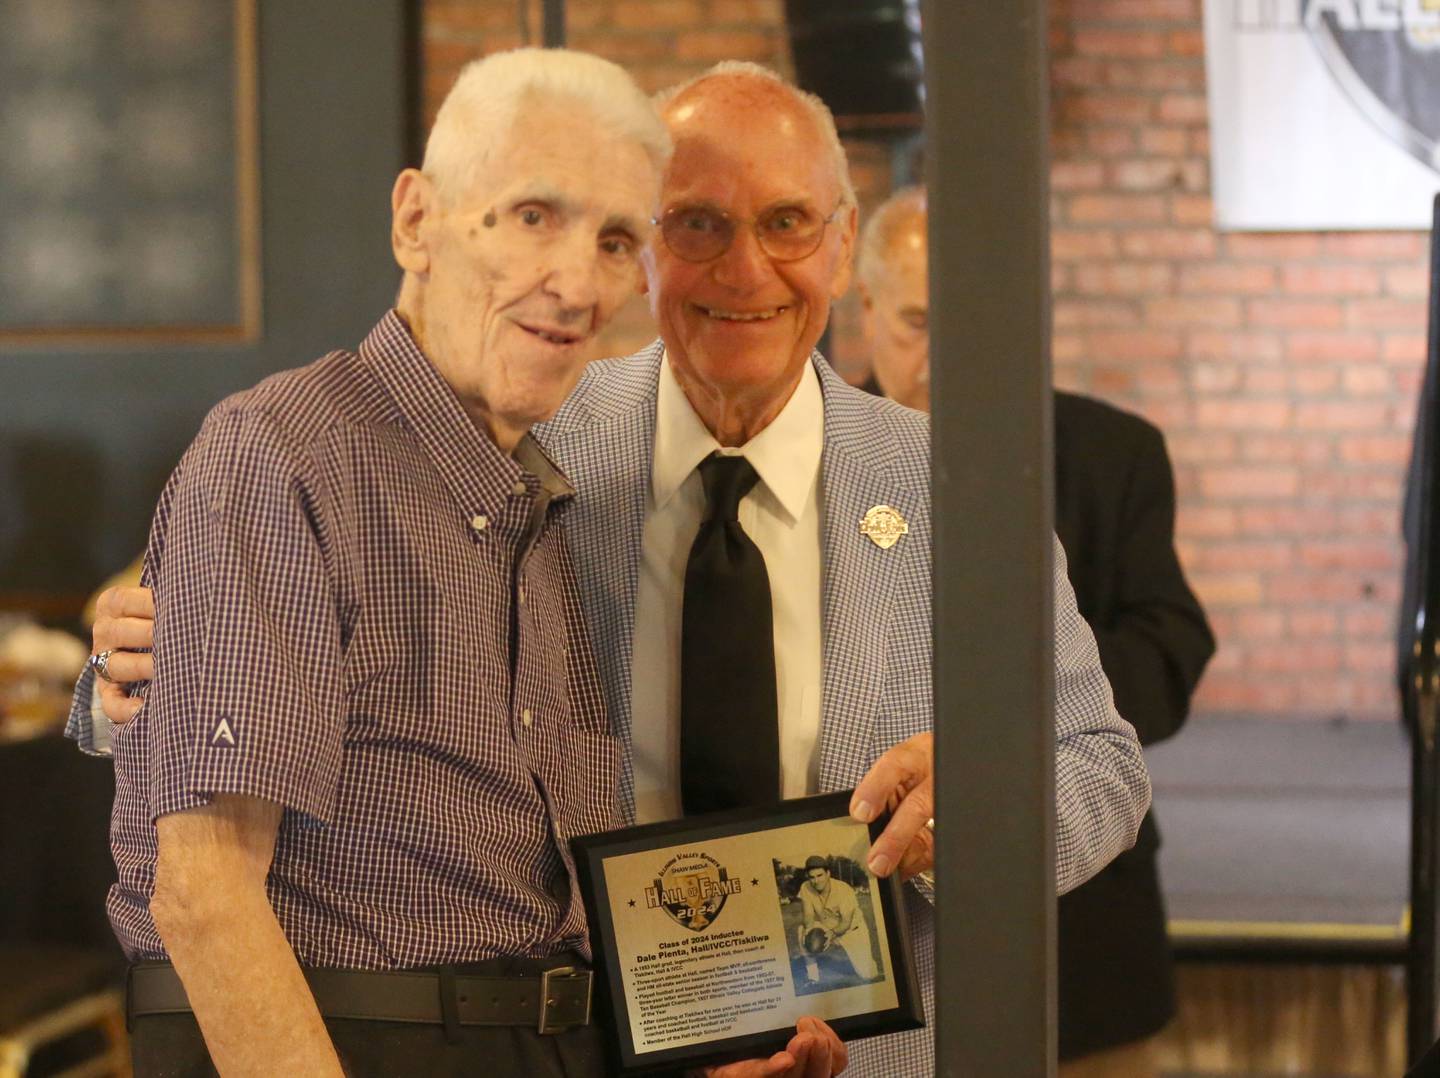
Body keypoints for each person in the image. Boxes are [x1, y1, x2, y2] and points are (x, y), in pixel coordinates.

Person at [80, 63, 1151, 1077]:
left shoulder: (951, 488)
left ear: (841, 240)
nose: (744, 271)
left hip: (862, 1052)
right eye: (695, 226)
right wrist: (120, 676)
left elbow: (1101, 765)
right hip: (571, 1045)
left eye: (785, 224)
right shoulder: (530, 443)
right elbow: (244, 635)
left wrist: (967, 812)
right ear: (650, 254)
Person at [69, 50, 845, 1078]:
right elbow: (203, 893)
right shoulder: (287, 451)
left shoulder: (540, 495)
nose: (575, 282)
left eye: (616, 239)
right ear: (416, 221)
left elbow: (524, 894)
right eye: (533, 215)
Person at [858, 185, 1215, 1077]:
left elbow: (1170, 649)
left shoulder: (1113, 452)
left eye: (973, 322)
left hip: (1083, 912)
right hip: (866, 923)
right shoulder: (812, 449)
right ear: (861, 309)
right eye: (914, 322)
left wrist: (1006, 725)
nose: (945, 356)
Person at [798, 857, 875, 984]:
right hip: (826, 927)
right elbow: (808, 915)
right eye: (812, 877)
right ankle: (813, 977)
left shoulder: (844, 889)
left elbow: (846, 923)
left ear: (828, 873)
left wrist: (832, 934)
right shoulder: (805, 887)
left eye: (820, 875)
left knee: (868, 975)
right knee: (802, 931)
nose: (816, 881)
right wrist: (809, 930)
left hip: (851, 930)